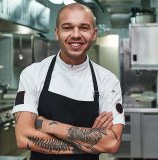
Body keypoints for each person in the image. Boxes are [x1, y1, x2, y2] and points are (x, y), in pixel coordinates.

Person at [13, 3, 124, 160]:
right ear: (57, 32)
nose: (76, 35)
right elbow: (24, 138)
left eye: (84, 27)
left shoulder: (108, 81)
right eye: (67, 27)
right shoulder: (33, 74)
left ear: (94, 33)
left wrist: (46, 124)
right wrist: (92, 143)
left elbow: (112, 142)